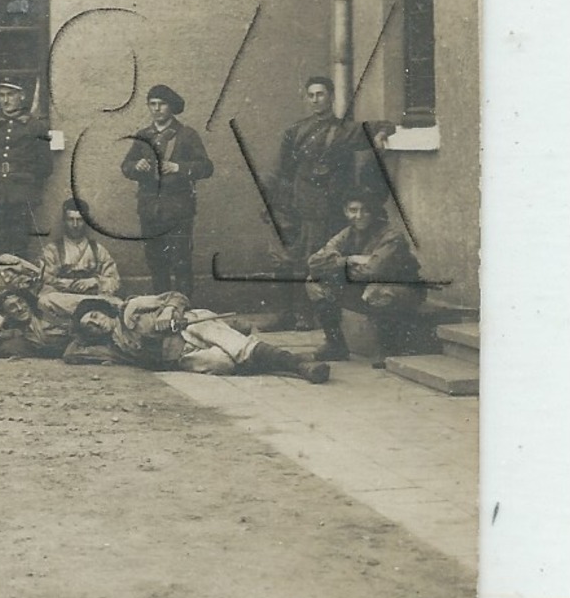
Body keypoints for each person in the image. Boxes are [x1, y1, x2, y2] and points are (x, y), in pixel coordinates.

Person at [268, 76, 370, 329]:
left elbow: (381, 127)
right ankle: (287, 314)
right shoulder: (296, 131)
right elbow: (284, 171)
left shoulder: (346, 130)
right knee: (286, 260)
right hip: (298, 206)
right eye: (311, 95)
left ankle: (307, 315)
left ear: (332, 96)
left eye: (320, 94)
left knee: (314, 260)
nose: (315, 100)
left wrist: (381, 135)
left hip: (326, 208)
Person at [70, 292, 329, 382]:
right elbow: (70, 353)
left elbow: (176, 296)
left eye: (93, 314)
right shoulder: (112, 349)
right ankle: (290, 358)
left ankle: (299, 366)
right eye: (89, 326)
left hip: (191, 325)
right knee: (226, 364)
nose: (96, 322)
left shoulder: (133, 307)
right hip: (182, 357)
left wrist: (169, 310)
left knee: (239, 349)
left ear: (101, 309)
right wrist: (79, 332)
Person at [307, 188, 425, 363]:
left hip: (403, 290)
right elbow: (314, 262)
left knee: (376, 290)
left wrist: (337, 267)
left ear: (375, 212)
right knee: (314, 282)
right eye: (353, 210)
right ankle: (336, 345)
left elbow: (372, 271)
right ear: (345, 211)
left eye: (365, 210)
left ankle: (388, 348)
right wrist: (350, 260)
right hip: (363, 285)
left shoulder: (391, 236)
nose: (359, 216)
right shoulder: (347, 234)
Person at [121, 83, 214, 298]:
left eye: (161, 104)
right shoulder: (143, 135)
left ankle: (183, 309)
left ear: (171, 107)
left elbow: (206, 167)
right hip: (150, 210)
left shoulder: (186, 135)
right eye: (152, 104)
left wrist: (179, 167)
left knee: (181, 262)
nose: (156, 108)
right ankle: (160, 309)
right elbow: (125, 166)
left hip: (178, 210)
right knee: (155, 262)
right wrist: (136, 166)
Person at [0, 74, 53, 259]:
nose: (5, 100)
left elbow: (45, 166)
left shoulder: (35, 126)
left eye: (10, 95)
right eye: (1, 95)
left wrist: (27, 186)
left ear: (21, 96)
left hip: (21, 195)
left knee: (19, 243)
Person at [35, 197, 122, 323]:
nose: (75, 225)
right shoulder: (52, 250)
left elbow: (114, 280)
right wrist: (66, 284)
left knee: (118, 303)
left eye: (80, 220)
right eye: (71, 220)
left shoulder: (97, 249)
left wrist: (95, 282)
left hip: (92, 298)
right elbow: (42, 280)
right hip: (65, 300)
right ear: (64, 221)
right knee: (45, 301)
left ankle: (86, 315)